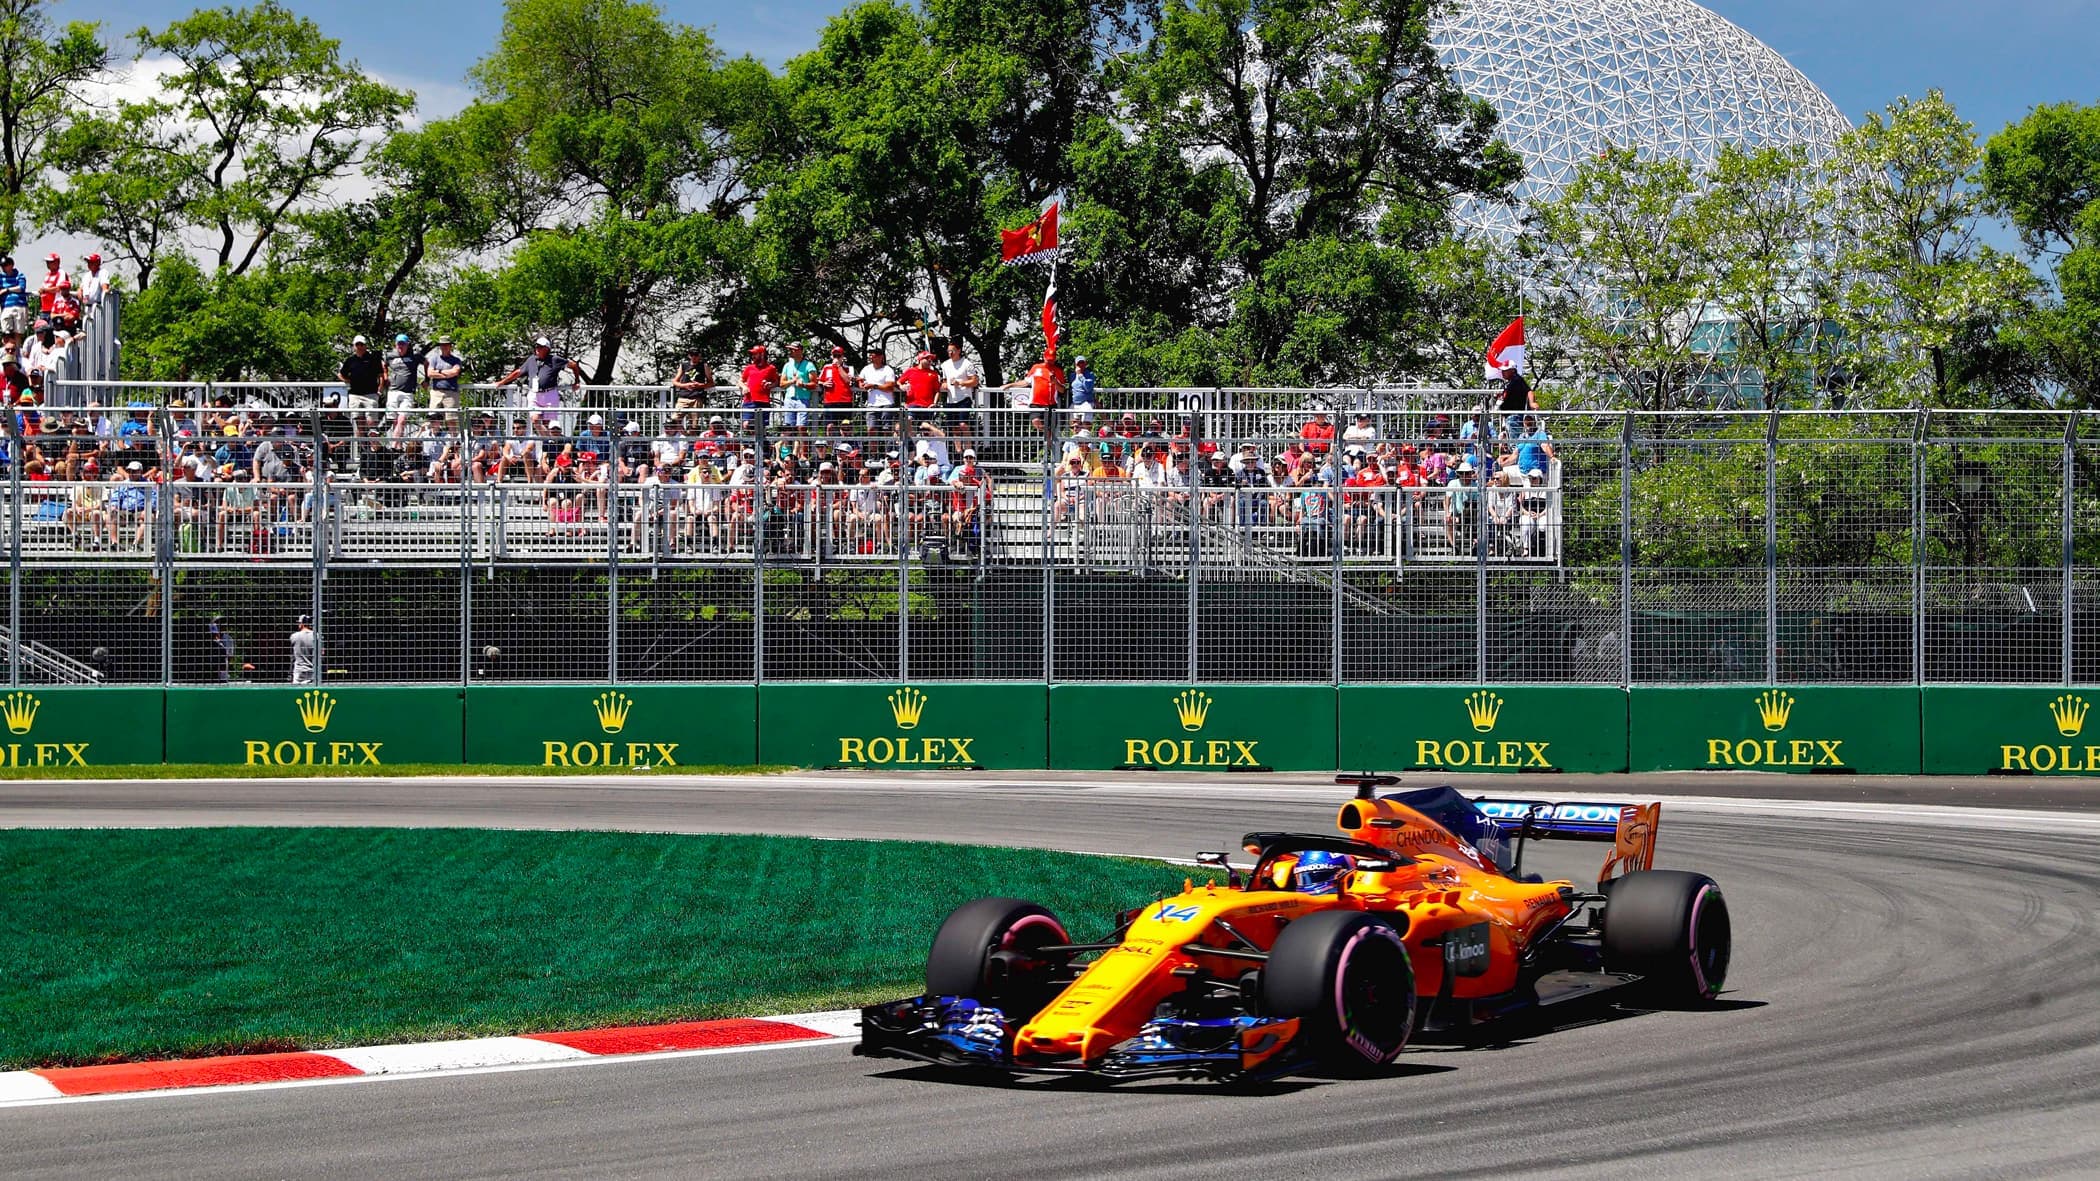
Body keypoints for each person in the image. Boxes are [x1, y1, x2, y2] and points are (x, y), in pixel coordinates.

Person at [493, 337, 585, 427]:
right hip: (534, 394)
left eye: (540, 347)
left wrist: (577, 380)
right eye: (536, 346)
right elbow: (519, 372)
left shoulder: (555, 360)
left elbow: (573, 365)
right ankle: (547, 438)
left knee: (548, 423)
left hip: (550, 394)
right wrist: (502, 382)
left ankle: (548, 441)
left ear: (546, 349)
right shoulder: (531, 359)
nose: (537, 349)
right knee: (535, 420)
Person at [938, 340, 978, 436]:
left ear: (959, 350)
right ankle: (958, 450)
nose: (950, 353)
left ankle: (968, 449)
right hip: (951, 399)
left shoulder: (967, 364)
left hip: (964, 398)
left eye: (953, 351)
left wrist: (960, 383)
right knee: (954, 427)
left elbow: (975, 381)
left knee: (963, 425)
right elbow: (944, 380)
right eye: (949, 351)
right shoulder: (945, 365)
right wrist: (944, 385)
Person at [779, 342, 817, 435]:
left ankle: (804, 449)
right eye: (790, 349)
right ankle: (790, 449)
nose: (791, 351)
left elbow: (814, 383)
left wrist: (803, 385)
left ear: (800, 351)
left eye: (793, 349)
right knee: (788, 427)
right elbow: (782, 383)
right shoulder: (787, 365)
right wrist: (792, 381)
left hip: (803, 399)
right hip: (789, 399)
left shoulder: (809, 365)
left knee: (801, 427)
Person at [338, 335, 382, 410]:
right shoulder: (350, 360)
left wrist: (380, 389)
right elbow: (340, 374)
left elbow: (381, 375)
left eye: (361, 344)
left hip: (371, 395)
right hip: (354, 395)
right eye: (357, 344)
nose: (359, 347)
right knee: (356, 419)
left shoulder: (373, 359)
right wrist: (348, 381)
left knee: (371, 420)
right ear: (354, 346)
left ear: (365, 346)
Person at [426, 335, 465, 413]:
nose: (444, 347)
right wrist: (446, 374)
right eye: (442, 345)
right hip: (436, 392)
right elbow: (430, 373)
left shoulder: (456, 360)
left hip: (451, 392)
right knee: (433, 418)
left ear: (450, 346)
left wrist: (438, 372)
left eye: (446, 344)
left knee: (451, 419)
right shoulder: (434, 359)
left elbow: (455, 372)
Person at [1068, 355, 1097, 424]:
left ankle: (1086, 434)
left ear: (1086, 364)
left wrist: (1080, 375)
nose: (1081, 365)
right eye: (1079, 363)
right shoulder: (1072, 375)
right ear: (1075, 364)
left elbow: (1088, 388)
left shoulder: (1090, 375)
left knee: (1086, 423)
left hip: (1086, 402)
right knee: (1074, 424)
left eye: (1082, 363)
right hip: (1075, 403)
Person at [289, 614, 317, 685]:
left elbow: (292, 655)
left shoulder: (294, 636)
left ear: (302, 624)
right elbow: (322, 654)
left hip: (299, 670)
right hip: (313, 671)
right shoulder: (316, 636)